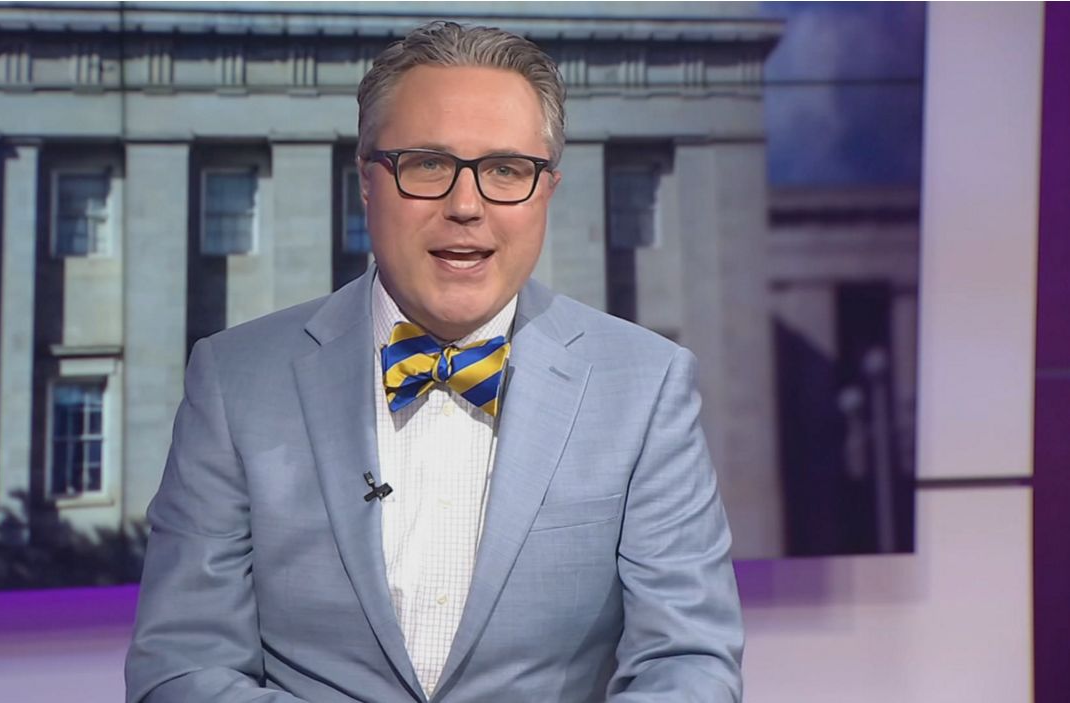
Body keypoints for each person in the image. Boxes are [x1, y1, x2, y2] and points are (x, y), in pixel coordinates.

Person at [126, 20, 743, 703]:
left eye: (506, 169)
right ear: (367, 182)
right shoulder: (234, 379)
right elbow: (182, 667)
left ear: (546, 190)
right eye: (427, 165)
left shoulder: (646, 386)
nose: (466, 206)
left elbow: (689, 664)